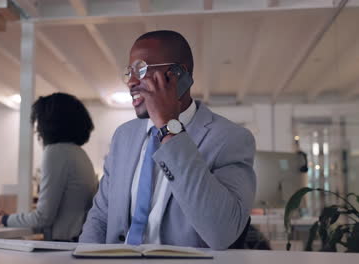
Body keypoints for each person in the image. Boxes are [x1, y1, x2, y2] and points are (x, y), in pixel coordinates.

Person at [79, 30, 256, 250]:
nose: (131, 82)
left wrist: (168, 127)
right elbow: (100, 217)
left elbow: (221, 233)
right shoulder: (123, 137)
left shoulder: (230, 139)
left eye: (141, 69)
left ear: (178, 74)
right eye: (129, 73)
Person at [0, 93, 98, 242]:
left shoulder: (56, 152)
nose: (37, 128)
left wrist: (2, 219)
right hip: (75, 242)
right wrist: (6, 218)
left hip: (62, 245)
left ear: (49, 123)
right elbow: (56, 217)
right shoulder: (79, 154)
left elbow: (42, 219)